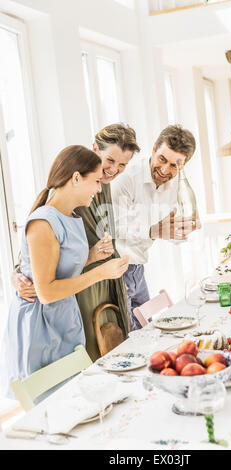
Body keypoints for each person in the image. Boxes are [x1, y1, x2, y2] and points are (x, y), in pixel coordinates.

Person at [0, 145, 129, 398]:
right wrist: (101, 272)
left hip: (64, 317)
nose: (99, 189)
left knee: (73, 396)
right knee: (51, 401)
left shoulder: (71, 216)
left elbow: (62, 267)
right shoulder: (43, 222)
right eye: (95, 180)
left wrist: (93, 256)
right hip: (41, 324)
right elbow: (46, 292)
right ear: (76, 177)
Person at [12, 124, 140, 362]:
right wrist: (16, 276)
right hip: (76, 294)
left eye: (123, 165)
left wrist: (95, 255)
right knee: (87, 364)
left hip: (100, 285)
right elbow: (35, 254)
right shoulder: (69, 196)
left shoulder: (104, 187)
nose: (113, 170)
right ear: (94, 150)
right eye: (110, 160)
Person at [111, 124, 201, 330]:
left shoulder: (177, 184)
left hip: (138, 269)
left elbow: (171, 234)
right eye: (162, 159)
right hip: (116, 270)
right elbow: (114, 227)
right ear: (153, 149)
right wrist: (153, 231)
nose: (165, 170)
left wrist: (185, 228)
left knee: (148, 333)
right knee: (127, 337)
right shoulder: (126, 179)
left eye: (174, 166)